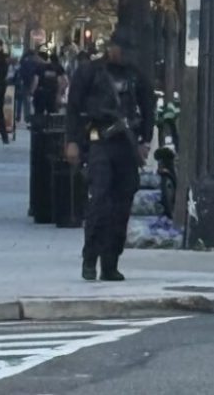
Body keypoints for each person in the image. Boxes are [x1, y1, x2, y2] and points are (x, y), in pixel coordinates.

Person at [64, 30, 154, 282]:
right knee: (99, 202)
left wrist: (145, 141)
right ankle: (90, 258)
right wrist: (72, 141)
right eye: (120, 50)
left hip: (127, 146)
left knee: (122, 206)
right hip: (99, 143)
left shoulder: (135, 76)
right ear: (111, 48)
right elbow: (73, 109)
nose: (123, 55)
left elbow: (148, 108)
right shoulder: (90, 72)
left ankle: (110, 262)